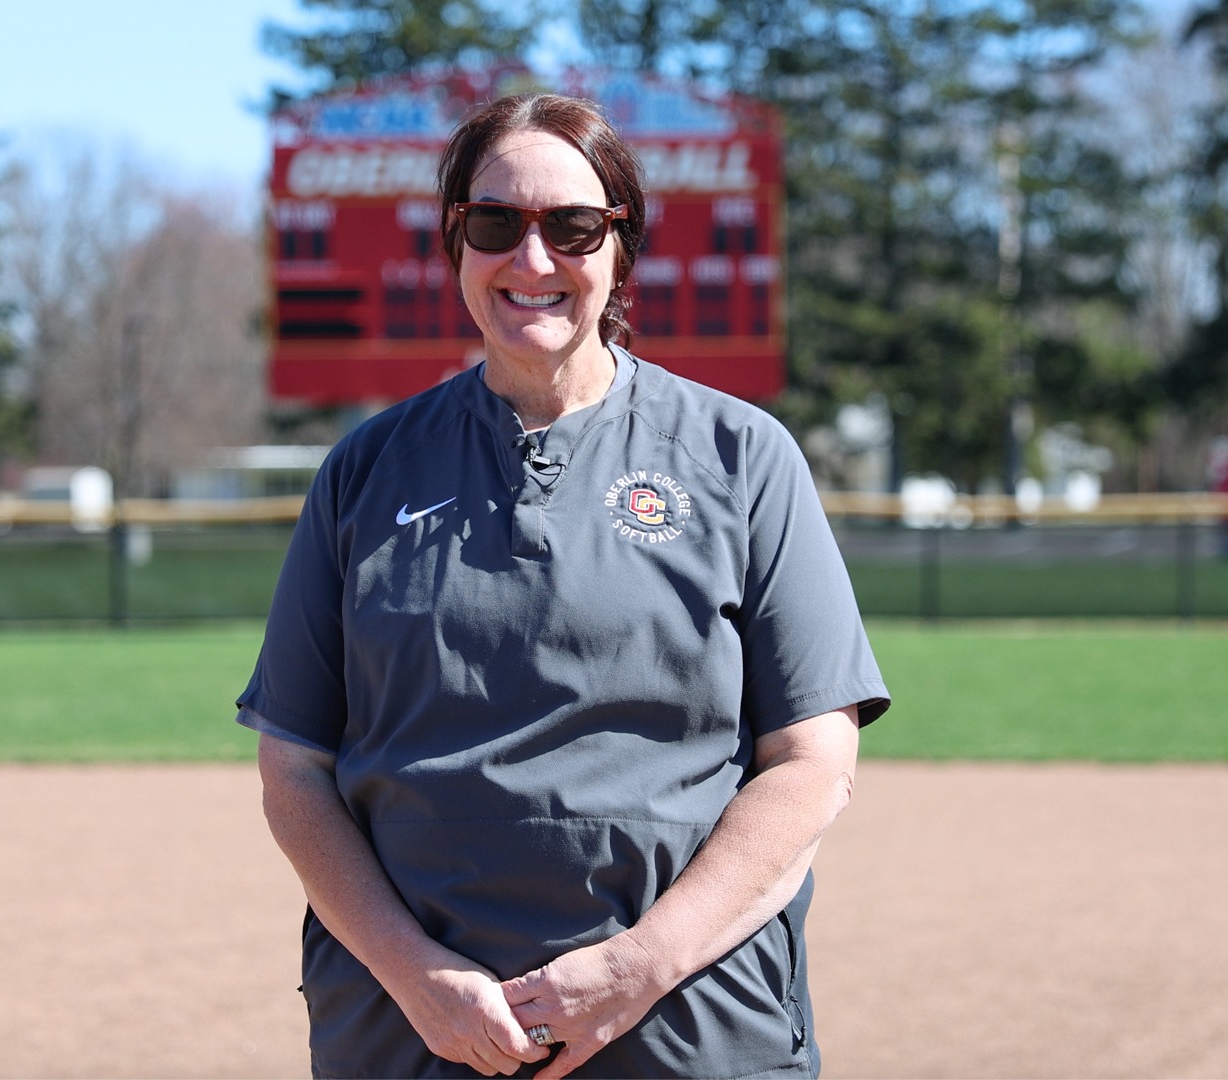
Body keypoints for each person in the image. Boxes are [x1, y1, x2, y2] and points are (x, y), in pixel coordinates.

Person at [239, 92, 891, 1079]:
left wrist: (638, 968)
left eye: (574, 226)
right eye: (496, 223)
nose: (533, 258)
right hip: (413, 1037)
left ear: (621, 247)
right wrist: (415, 975)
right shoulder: (365, 472)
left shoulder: (742, 457)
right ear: (455, 240)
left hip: (685, 1033)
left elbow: (812, 763)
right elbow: (294, 770)